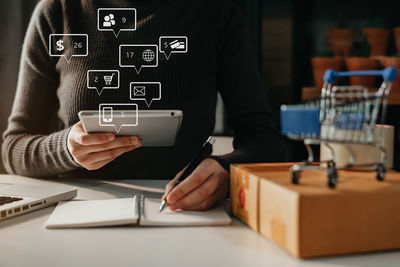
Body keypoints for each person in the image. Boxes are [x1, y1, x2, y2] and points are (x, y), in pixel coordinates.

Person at [2, 0, 285, 211]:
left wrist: (227, 169)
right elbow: (14, 148)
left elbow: (264, 138)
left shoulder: (216, 13)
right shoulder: (57, 12)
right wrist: (65, 149)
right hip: (76, 212)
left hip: (186, 212)